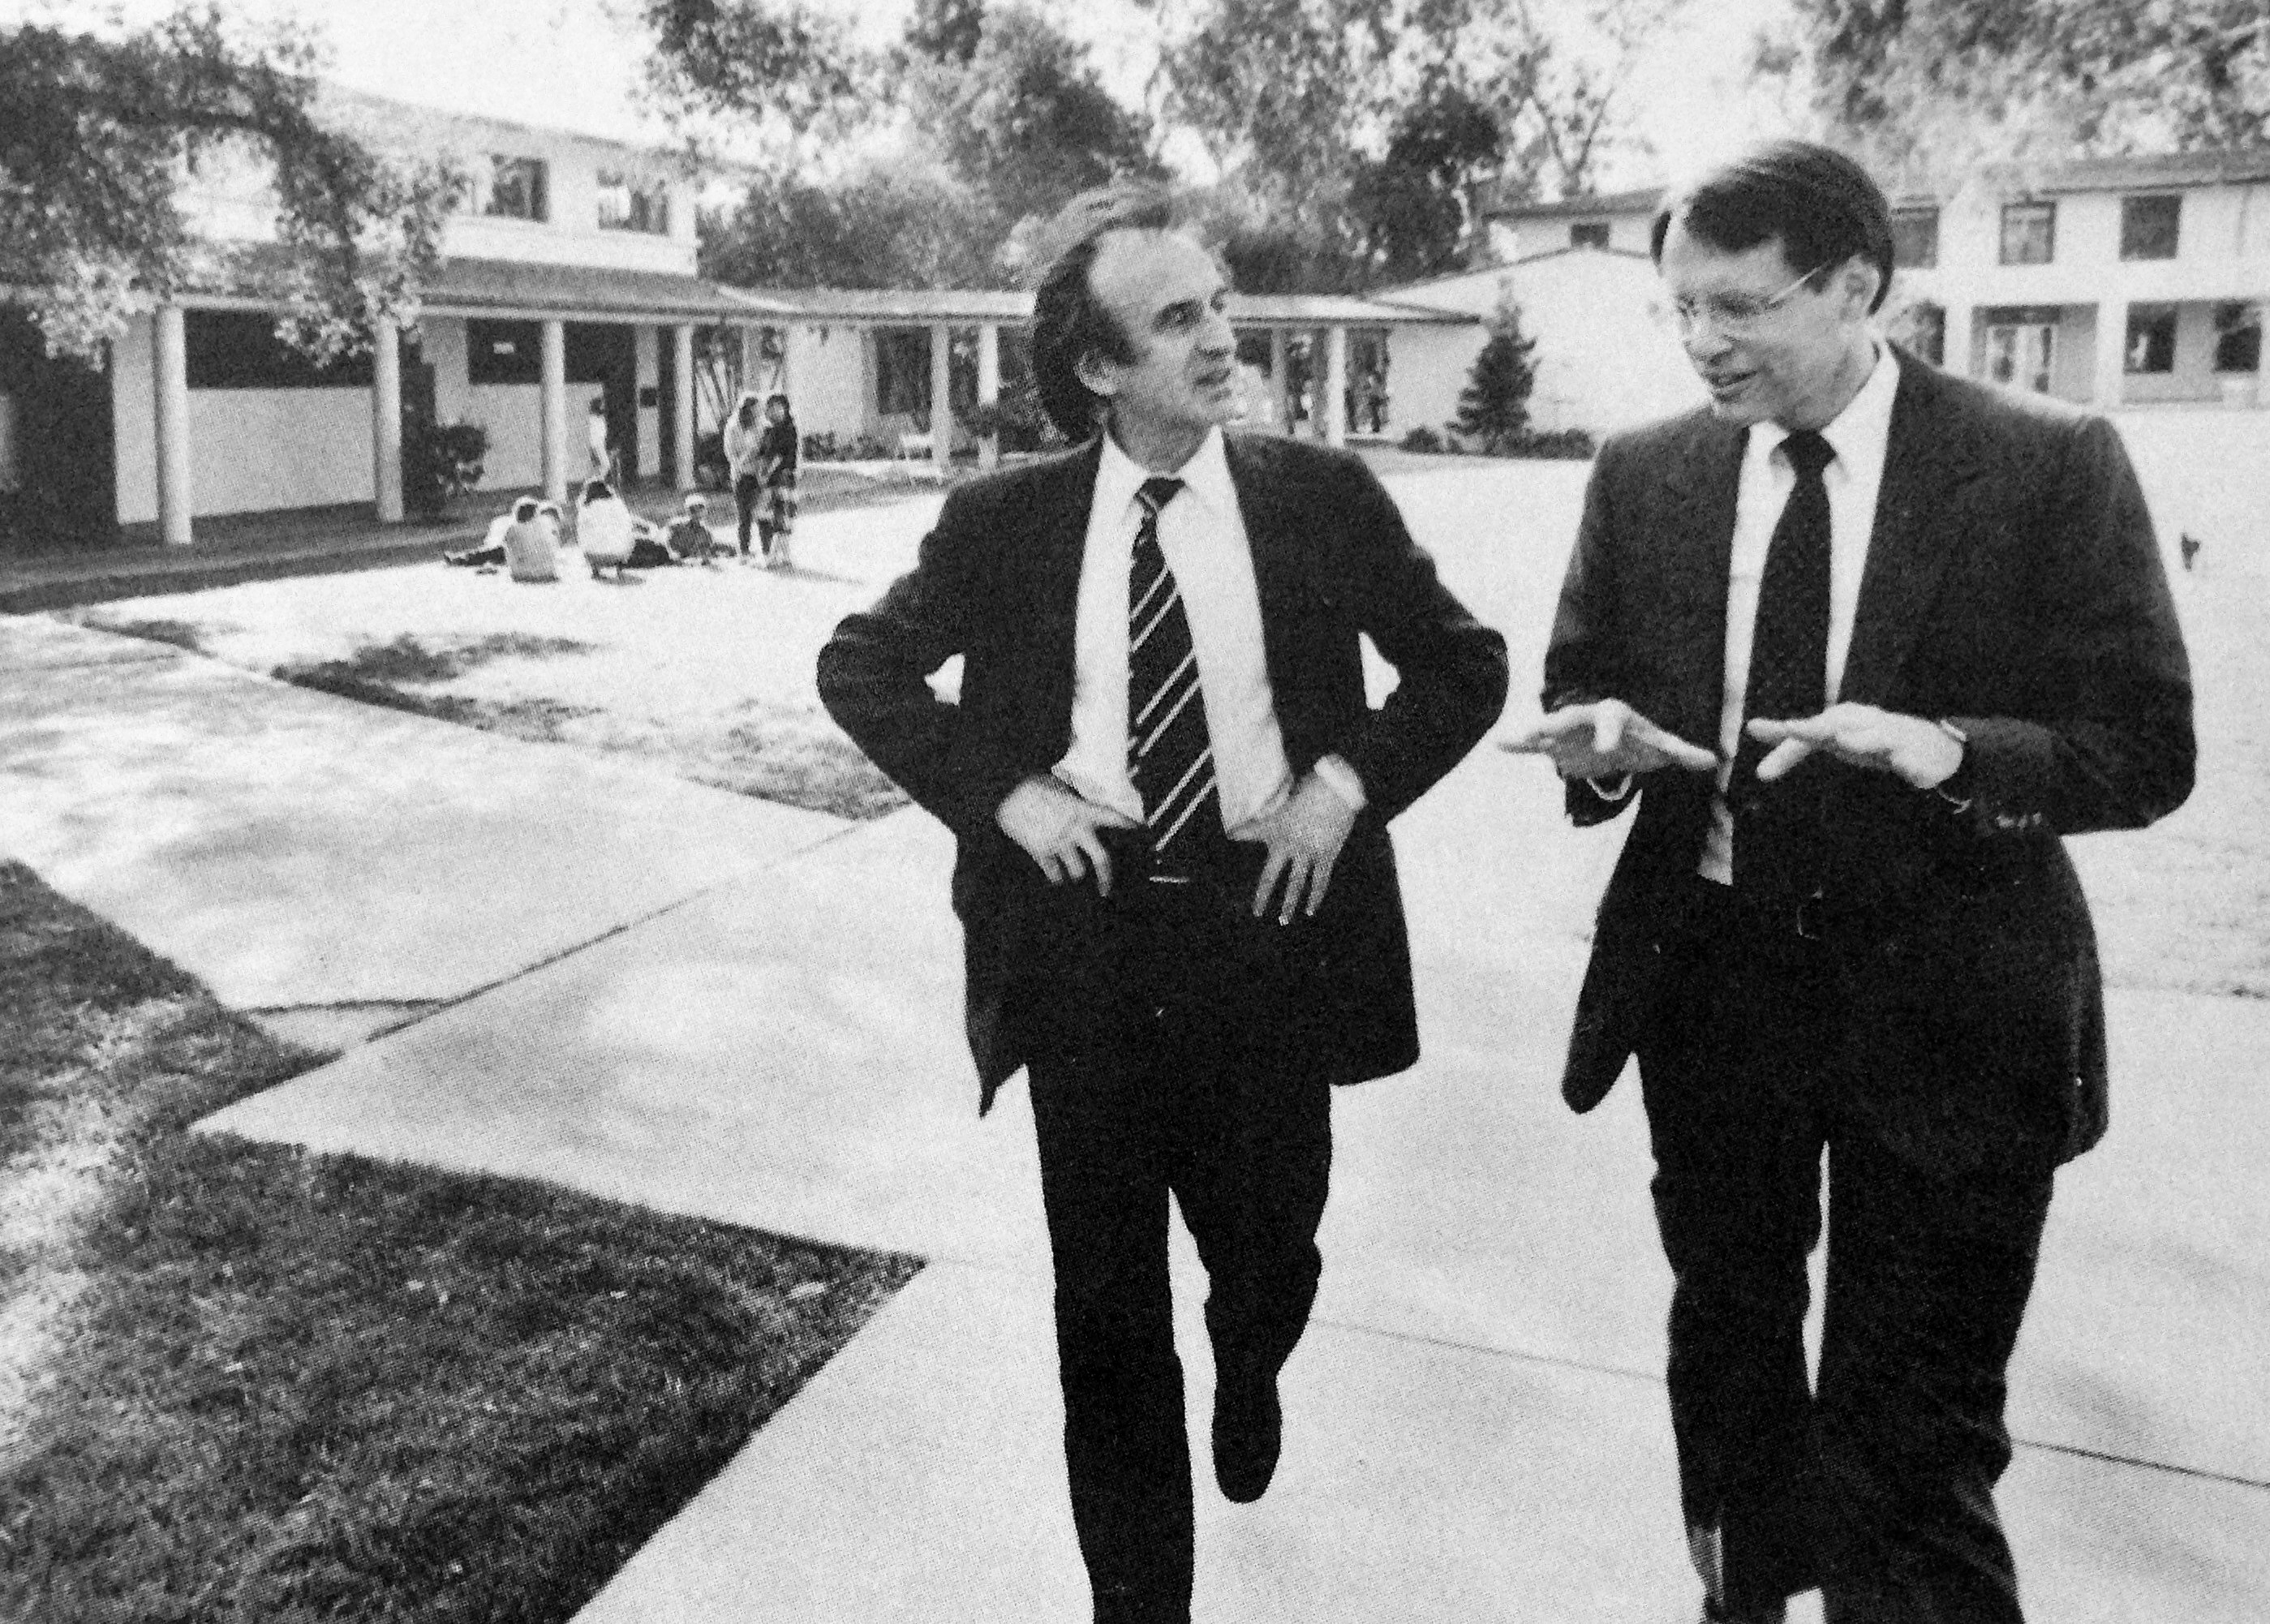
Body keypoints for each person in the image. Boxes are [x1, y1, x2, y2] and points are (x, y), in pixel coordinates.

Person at [1507, 140, 2195, 1624]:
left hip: (1947, 1018)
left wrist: (1948, 751)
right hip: (1712, 1001)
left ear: (1857, 287)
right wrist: (1606, 749)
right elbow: (1589, 692)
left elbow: (2145, 749)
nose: (1702, 343)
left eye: (1739, 307)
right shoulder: (1644, 471)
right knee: (1732, 1383)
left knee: (1910, 1444)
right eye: (1680, 308)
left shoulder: (2043, 460)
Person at [817, 188, 1507, 1624]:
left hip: (1266, 936)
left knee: (1270, 1245)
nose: (1219, 336)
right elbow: (860, 664)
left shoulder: (1318, 498)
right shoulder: (1002, 523)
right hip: (1085, 949)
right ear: (1094, 368)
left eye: (1220, 303)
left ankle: (1250, 1358)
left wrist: (1339, 784)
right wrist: (1003, 792)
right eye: (1178, 317)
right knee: (1105, 1318)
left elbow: (1461, 664)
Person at [753, 392, 799, 569]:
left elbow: (779, 456)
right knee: (775, 517)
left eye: (778, 407)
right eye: (771, 407)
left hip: (781, 478)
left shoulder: (787, 429)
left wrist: (765, 474)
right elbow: (763, 453)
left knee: (781, 517)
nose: (774, 411)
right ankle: (782, 555)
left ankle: (776, 556)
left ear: (785, 409)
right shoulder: (771, 430)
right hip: (774, 478)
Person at [576, 478, 651, 580]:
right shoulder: (617, 503)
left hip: (593, 555)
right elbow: (628, 523)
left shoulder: (586, 507)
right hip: (619, 555)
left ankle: (595, 570)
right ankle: (619, 568)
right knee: (627, 533)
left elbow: (581, 529)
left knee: (585, 532)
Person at [724, 392, 766, 559]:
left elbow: (765, 448)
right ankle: (744, 550)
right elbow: (729, 451)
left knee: (763, 513)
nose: (758, 412)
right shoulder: (734, 426)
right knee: (744, 514)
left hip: (759, 473)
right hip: (741, 475)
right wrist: (739, 466)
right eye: (756, 408)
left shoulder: (762, 425)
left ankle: (766, 550)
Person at [500, 496, 558, 583]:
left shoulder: (512, 529)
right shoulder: (547, 524)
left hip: (522, 574)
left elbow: (506, 547)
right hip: (548, 572)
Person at [659, 492, 720, 565]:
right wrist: (672, 553)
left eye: (701, 509)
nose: (698, 513)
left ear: (705, 511)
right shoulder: (676, 525)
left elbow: (705, 552)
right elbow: (663, 540)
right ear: (687, 512)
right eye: (693, 510)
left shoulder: (706, 533)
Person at [586, 394, 615, 483]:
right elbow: (594, 434)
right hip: (596, 445)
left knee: (600, 467)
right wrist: (595, 448)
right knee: (605, 465)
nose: (604, 406)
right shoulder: (593, 419)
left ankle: (595, 483)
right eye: (602, 405)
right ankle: (593, 482)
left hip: (599, 444)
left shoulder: (600, 418)